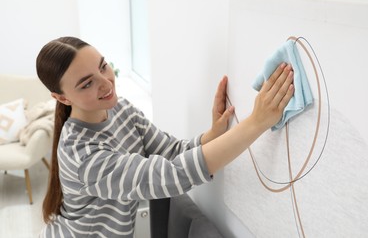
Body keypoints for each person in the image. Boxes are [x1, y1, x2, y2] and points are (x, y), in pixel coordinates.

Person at [37, 36, 294, 237]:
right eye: (86, 83)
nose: (105, 83)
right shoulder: (82, 155)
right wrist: (256, 123)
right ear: (62, 98)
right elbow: (171, 176)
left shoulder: (120, 109)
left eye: (103, 66)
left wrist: (214, 133)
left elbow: (170, 151)